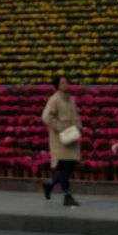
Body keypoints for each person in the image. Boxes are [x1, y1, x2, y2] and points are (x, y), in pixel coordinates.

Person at [41, 74, 83, 207]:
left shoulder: (71, 99)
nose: (66, 85)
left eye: (66, 82)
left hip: (72, 137)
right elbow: (46, 117)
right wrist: (60, 127)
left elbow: (75, 116)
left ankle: (50, 184)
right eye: (63, 83)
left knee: (69, 168)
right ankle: (67, 196)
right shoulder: (54, 99)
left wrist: (79, 128)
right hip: (60, 140)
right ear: (57, 85)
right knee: (65, 166)